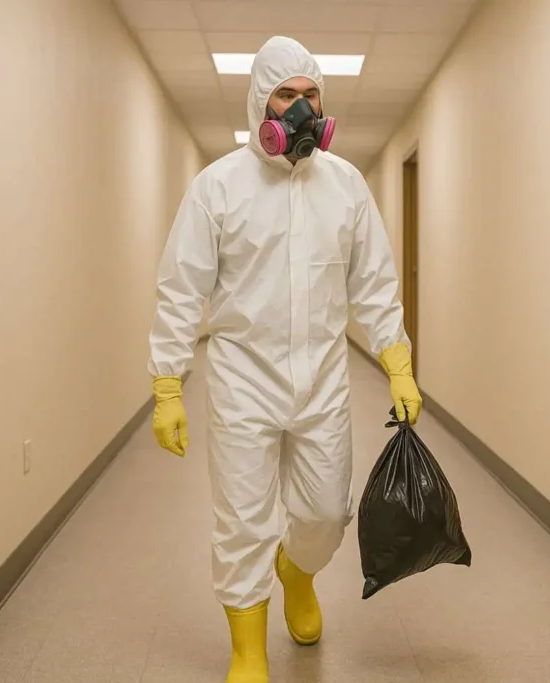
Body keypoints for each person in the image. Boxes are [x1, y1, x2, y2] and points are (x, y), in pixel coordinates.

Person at [146, 36, 422, 683]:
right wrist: (167, 383)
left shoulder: (345, 185)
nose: (302, 108)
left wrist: (398, 363)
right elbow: (181, 288)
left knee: (326, 512)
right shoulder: (218, 187)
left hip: (322, 378)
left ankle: (296, 571)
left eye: (311, 95)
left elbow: (375, 283)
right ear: (259, 104)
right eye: (286, 95)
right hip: (242, 379)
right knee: (243, 518)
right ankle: (248, 648)